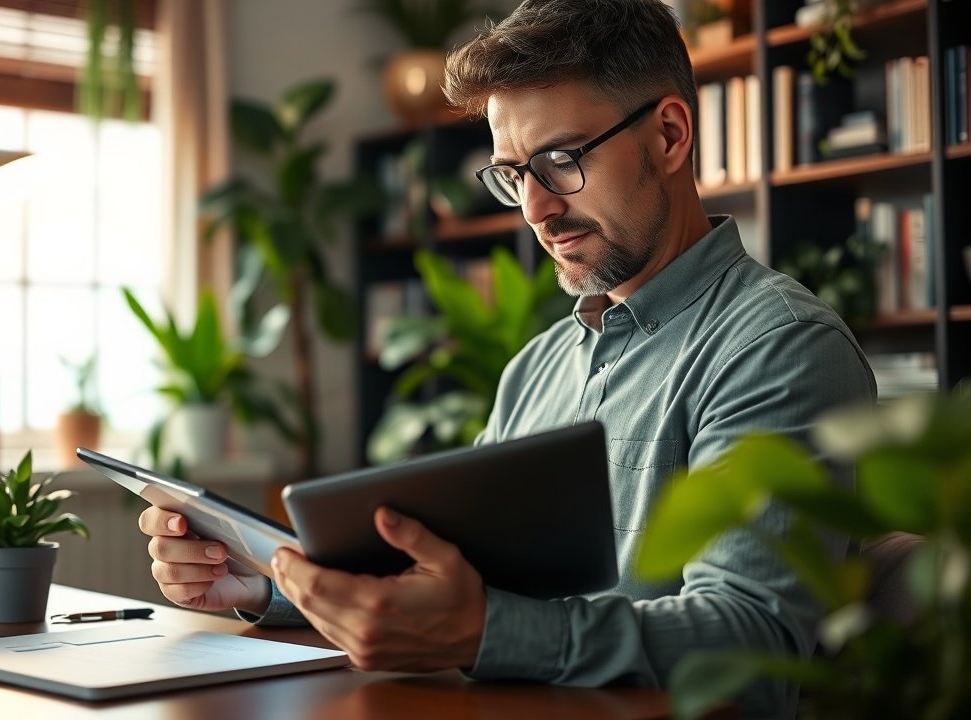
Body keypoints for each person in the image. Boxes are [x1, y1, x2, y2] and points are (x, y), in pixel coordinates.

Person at [137, 1, 876, 717]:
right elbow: (446, 589)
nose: (535, 210)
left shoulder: (778, 347)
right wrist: (269, 585)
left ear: (671, 135)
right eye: (514, 173)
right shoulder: (537, 367)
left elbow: (747, 646)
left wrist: (487, 632)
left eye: (560, 161)